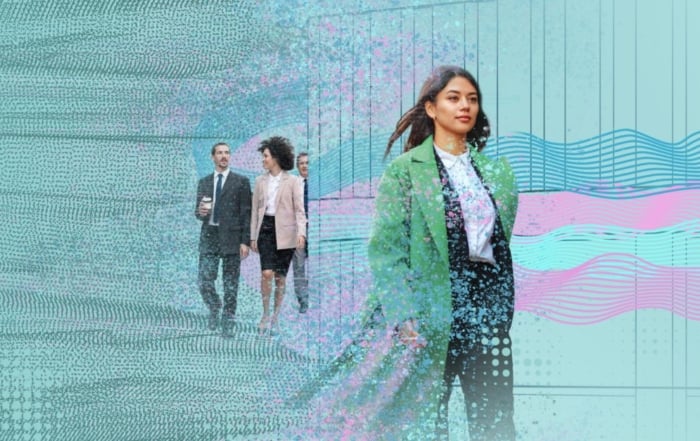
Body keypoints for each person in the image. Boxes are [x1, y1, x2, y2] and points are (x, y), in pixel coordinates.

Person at [292, 66, 518, 440]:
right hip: (430, 311)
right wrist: (401, 313)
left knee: (496, 419)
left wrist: (496, 303)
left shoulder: (497, 172)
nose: (465, 106)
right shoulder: (405, 171)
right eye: (454, 97)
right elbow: (387, 250)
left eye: (472, 99)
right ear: (431, 108)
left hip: (486, 311)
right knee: (426, 418)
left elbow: (499, 241)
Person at [250, 137, 306, 336]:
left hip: (287, 232)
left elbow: (300, 210)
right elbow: (255, 209)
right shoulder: (259, 181)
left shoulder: (293, 181)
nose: (263, 160)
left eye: (265, 156)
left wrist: (301, 233)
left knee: (280, 278)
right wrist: (252, 236)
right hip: (265, 229)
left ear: (275, 157)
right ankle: (265, 314)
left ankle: (276, 316)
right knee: (266, 273)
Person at [195, 142, 251, 338]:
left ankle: (228, 322)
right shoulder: (204, 182)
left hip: (232, 238)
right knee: (204, 281)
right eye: (219, 153)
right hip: (209, 237)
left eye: (227, 153)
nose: (224, 156)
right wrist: (200, 212)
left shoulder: (241, 182)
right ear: (213, 157)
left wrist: (245, 241)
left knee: (230, 284)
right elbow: (199, 211)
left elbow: (247, 214)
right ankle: (214, 306)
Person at [292, 152, 309, 313]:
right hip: (298, 231)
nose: (305, 166)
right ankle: (303, 300)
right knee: (299, 265)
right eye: (301, 163)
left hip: (319, 230)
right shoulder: (293, 184)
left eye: (308, 163)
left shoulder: (321, 183)